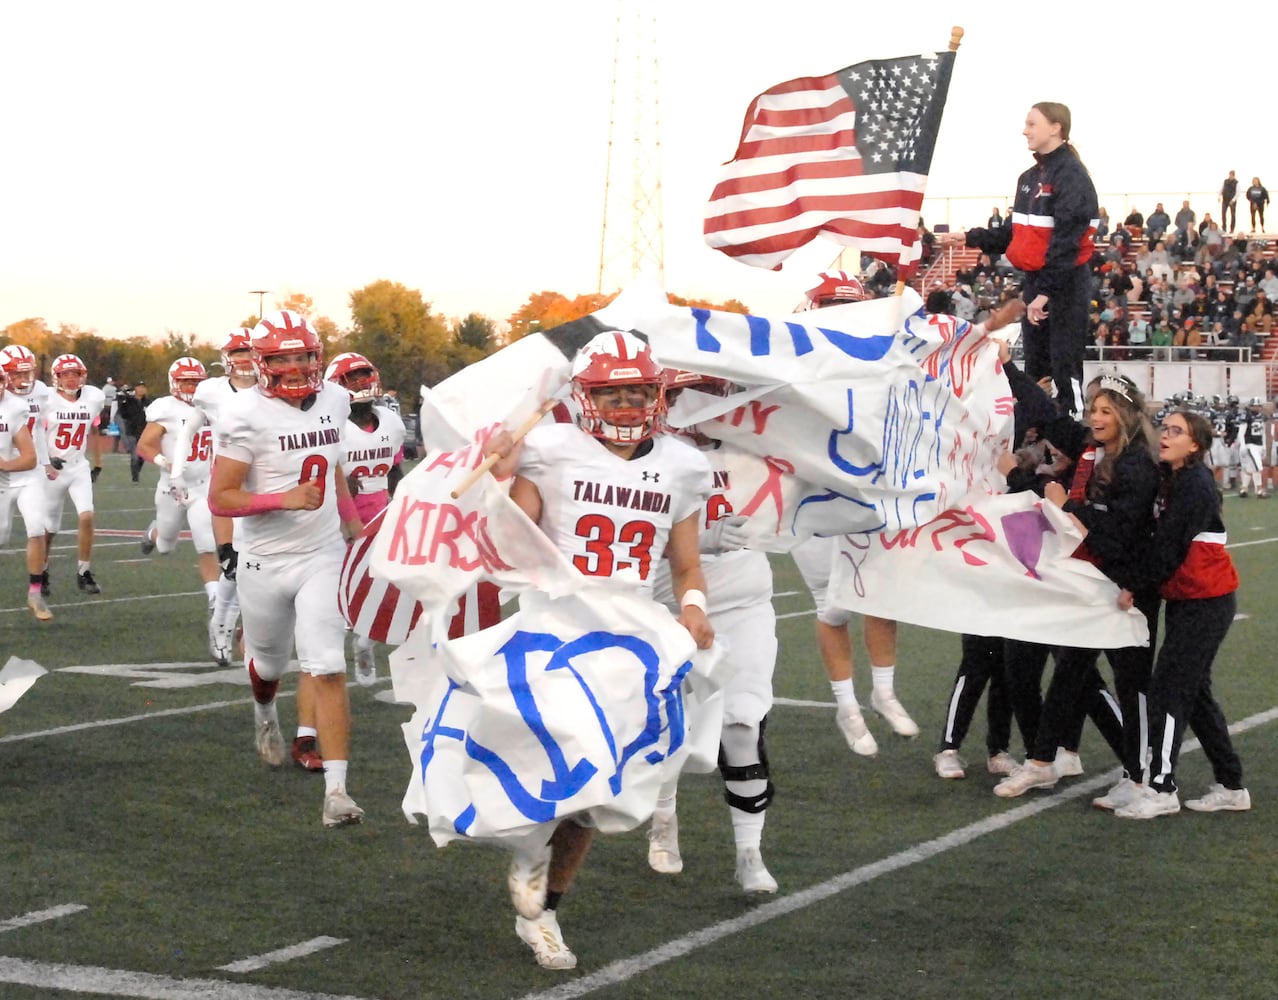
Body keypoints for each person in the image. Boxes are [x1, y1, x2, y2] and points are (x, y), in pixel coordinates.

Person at [487, 329, 714, 971]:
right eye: (612, 395)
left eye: (638, 392)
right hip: (556, 627)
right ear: (585, 397)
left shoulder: (681, 463)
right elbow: (511, 539)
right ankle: (529, 857)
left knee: (595, 795)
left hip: (630, 636)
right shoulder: (551, 449)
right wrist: (502, 478)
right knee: (562, 763)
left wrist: (693, 611)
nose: (625, 407)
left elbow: (688, 568)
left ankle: (546, 906)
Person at [207, 310, 365, 827]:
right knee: (269, 667)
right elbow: (221, 497)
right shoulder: (242, 414)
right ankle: (264, 715)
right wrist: (282, 498)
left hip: (322, 554)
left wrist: (350, 520)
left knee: (327, 665)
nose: (295, 366)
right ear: (262, 362)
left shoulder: (337, 399)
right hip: (263, 559)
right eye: (282, 357)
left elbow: (335, 464)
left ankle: (337, 791)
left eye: (303, 355)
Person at [994, 372, 1161, 802]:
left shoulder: (1138, 464)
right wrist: (1009, 368)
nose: (1096, 417)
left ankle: (1144, 777)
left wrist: (1067, 505)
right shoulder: (1093, 449)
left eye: (1106, 410)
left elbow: (1119, 533)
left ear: (1125, 414)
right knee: (1069, 674)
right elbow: (1047, 416)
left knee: (1133, 685)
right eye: (1092, 410)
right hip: (1093, 584)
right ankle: (1042, 762)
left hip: (1128, 590)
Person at [646, 369, 779, 894]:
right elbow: (627, 539)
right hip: (669, 602)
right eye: (686, 392)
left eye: (711, 391)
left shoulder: (760, 444)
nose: (701, 403)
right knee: (665, 721)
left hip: (746, 596)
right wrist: (698, 540)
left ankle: (750, 851)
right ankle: (662, 819)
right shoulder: (653, 458)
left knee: (743, 723)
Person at [1111, 410, 1250, 818]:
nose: (1165, 436)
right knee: (1195, 693)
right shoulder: (1172, 479)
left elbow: (1169, 548)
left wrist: (1133, 584)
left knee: (1170, 690)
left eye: (1176, 431)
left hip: (1207, 602)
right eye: (1164, 429)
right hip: (1189, 599)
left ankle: (1161, 788)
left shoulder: (1194, 485)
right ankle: (1231, 784)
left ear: (1196, 445)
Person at [940, 102, 1098, 415]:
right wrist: (970, 237)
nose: (1024, 130)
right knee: (1036, 371)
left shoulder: (1072, 176)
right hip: (1037, 281)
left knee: (1064, 369)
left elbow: (1067, 242)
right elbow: (1017, 233)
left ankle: (1077, 445)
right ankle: (1041, 443)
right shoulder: (1029, 177)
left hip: (1063, 283)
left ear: (1056, 128)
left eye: (1031, 124)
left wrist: (1045, 293)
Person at [325, 351, 405, 686]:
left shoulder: (390, 422)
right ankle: (327, 660)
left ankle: (363, 641)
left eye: (363, 375)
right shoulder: (331, 424)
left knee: (383, 585)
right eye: (351, 377)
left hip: (378, 509)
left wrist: (403, 505)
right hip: (333, 515)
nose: (360, 382)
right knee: (333, 592)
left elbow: (396, 470)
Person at [136, 357, 222, 634]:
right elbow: (144, 445)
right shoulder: (165, 408)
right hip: (173, 486)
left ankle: (215, 598)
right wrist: (166, 463)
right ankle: (152, 534)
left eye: (195, 381)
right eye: (185, 381)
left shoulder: (214, 405)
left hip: (203, 484)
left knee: (206, 541)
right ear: (174, 382)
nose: (190, 386)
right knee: (165, 545)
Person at [39, 354, 105, 596]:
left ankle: (83, 571)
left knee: (87, 516)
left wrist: (98, 462)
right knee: (49, 528)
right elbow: (32, 432)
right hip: (52, 469)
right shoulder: (45, 399)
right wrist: (44, 457)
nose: (69, 379)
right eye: (65, 374)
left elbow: (94, 426)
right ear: (56, 377)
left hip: (78, 467)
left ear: (82, 376)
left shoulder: (94, 397)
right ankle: (42, 570)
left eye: (74, 374)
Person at [0, 345, 54, 619]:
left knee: (36, 527)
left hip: (24, 472)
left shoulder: (23, 403)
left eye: (26, 373)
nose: (22, 380)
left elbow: (32, 446)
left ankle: (35, 591)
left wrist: (44, 462)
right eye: (13, 375)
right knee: (2, 535)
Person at [0, 365, 41, 614]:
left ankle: (36, 592)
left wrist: (5, 464)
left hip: (13, 478)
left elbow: (30, 457)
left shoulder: (14, 408)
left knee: (35, 527)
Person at [116, 381, 149, 481]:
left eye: (143, 387)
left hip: (144, 431)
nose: (141, 389)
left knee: (142, 456)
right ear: (135, 389)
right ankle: (135, 477)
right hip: (131, 431)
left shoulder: (148, 402)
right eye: (139, 387)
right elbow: (122, 413)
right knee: (134, 454)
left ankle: (137, 470)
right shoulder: (129, 401)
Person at [1236, 398, 1267, 498]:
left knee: (1251, 468)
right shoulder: (1246, 416)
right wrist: (1243, 445)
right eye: (1254, 406)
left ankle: (1243, 489)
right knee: (1258, 466)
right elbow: (1241, 432)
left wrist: (1264, 446)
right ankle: (1259, 490)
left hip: (1259, 444)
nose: (1256, 407)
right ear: (1250, 406)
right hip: (1250, 444)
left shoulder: (1262, 416)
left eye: (1258, 405)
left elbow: (1263, 433)